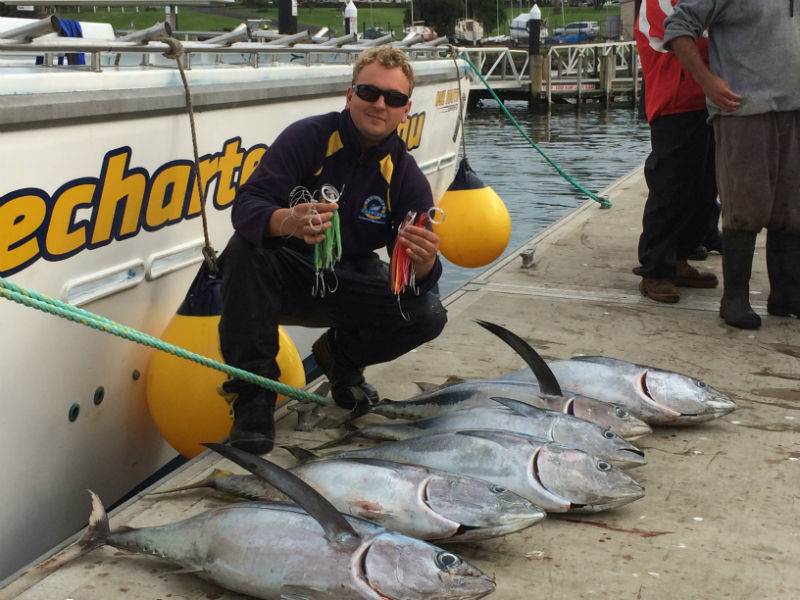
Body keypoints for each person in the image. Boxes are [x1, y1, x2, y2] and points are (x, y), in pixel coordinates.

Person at [218, 46, 447, 454]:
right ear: (350, 94)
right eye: (369, 92)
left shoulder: (405, 174)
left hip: (350, 277)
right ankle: (253, 398)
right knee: (243, 250)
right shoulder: (308, 137)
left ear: (405, 110)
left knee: (428, 312)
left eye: (393, 98)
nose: (380, 105)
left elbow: (413, 282)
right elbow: (246, 207)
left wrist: (426, 263)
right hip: (287, 270)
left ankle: (341, 359)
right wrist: (286, 220)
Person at [664, 1, 800, 329]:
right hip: (745, 110)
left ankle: (785, 295)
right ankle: (734, 299)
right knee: (744, 207)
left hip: (794, 109)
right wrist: (707, 81)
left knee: (791, 209)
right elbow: (678, 26)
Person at [632, 0, 719, 303]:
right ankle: (655, 269)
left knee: (705, 188)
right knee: (671, 188)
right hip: (674, 105)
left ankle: (681, 257)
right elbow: (681, 34)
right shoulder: (657, 3)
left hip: (710, 103)